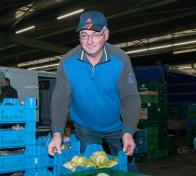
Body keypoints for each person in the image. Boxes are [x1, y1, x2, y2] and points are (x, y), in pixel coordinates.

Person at [48, 10, 140, 158]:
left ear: (106, 34)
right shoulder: (68, 62)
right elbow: (60, 99)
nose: (90, 41)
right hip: (85, 128)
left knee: (126, 172)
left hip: (118, 128)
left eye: (96, 34)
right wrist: (57, 133)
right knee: (90, 173)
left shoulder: (120, 59)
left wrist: (129, 131)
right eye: (84, 35)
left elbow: (130, 97)